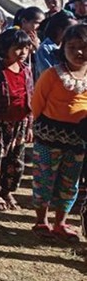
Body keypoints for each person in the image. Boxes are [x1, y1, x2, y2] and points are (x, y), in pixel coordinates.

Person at [30, 24, 87, 241]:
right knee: (43, 179)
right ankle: (41, 221)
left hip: (78, 140)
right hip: (48, 138)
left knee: (69, 183)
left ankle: (60, 222)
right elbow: (37, 103)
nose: (79, 52)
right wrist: (45, 127)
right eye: (72, 47)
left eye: (84, 46)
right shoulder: (52, 75)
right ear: (63, 49)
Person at [0, 29, 34, 211]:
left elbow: (30, 96)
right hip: (0, 124)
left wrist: (30, 124)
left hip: (21, 122)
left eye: (26, 48)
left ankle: (7, 190)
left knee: (16, 160)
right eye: (18, 48)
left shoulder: (26, 70)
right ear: (5, 48)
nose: (23, 52)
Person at [35, 11, 77, 81]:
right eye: (70, 30)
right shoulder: (45, 49)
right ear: (59, 30)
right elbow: (47, 75)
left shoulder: (69, 46)